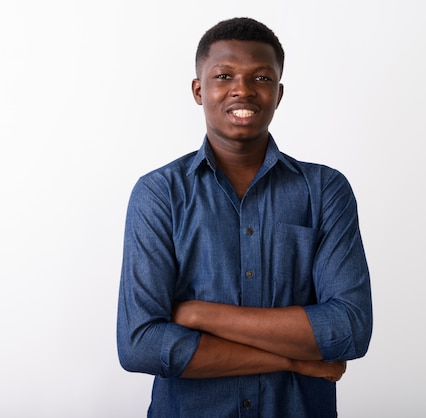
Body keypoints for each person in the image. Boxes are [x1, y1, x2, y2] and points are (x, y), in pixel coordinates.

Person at [116, 17, 373, 417]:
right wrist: (293, 359)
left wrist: (201, 314)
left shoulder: (325, 190)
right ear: (199, 90)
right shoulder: (159, 194)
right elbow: (141, 345)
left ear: (279, 94)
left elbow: (350, 329)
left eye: (262, 78)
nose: (242, 89)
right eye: (224, 75)